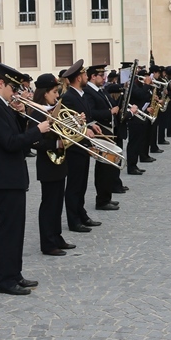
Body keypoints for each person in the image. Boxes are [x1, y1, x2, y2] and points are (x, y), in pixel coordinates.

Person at [0, 63, 50, 293]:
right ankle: (6, 280)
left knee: (16, 229)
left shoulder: (2, 106)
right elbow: (10, 143)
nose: (16, 92)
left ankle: (15, 274)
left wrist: (21, 115)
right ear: (1, 84)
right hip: (4, 178)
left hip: (12, 177)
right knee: (8, 230)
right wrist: (38, 130)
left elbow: (14, 133)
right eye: (13, 87)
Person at [29, 73, 76, 256]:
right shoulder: (36, 113)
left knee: (57, 204)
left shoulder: (53, 109)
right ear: (44, 93)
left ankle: (57, 237)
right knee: (49, 204)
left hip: (59, 162)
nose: (56, 96)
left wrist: (76, 122)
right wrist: (56, 144)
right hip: (47, 164)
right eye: (53, 92)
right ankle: (47, 243)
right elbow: (34, 141)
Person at [59, 60, 103, 233]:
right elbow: (68, 123)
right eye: (85, 75)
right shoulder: (68, 97)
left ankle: (81, 213)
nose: (87, 77)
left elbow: (83, 118)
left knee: (82, 184)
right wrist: (85, 129)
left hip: (84, 145)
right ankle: (73, 220)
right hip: (74, 147)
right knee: (74, 185)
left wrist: (90, 126)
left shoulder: (81, 94)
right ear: (78, 78)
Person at [84, 63, 120, 212]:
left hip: (108, 131)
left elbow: (111, 105)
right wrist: (110, 112)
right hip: (100, 132)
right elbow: (91, 113)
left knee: (109, 167)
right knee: (103, 168)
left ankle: (107, 197)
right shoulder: (89, 92)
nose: (104, 78)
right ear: (93, 76)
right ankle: (102, 200)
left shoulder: (100, 90)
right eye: (101, 75)